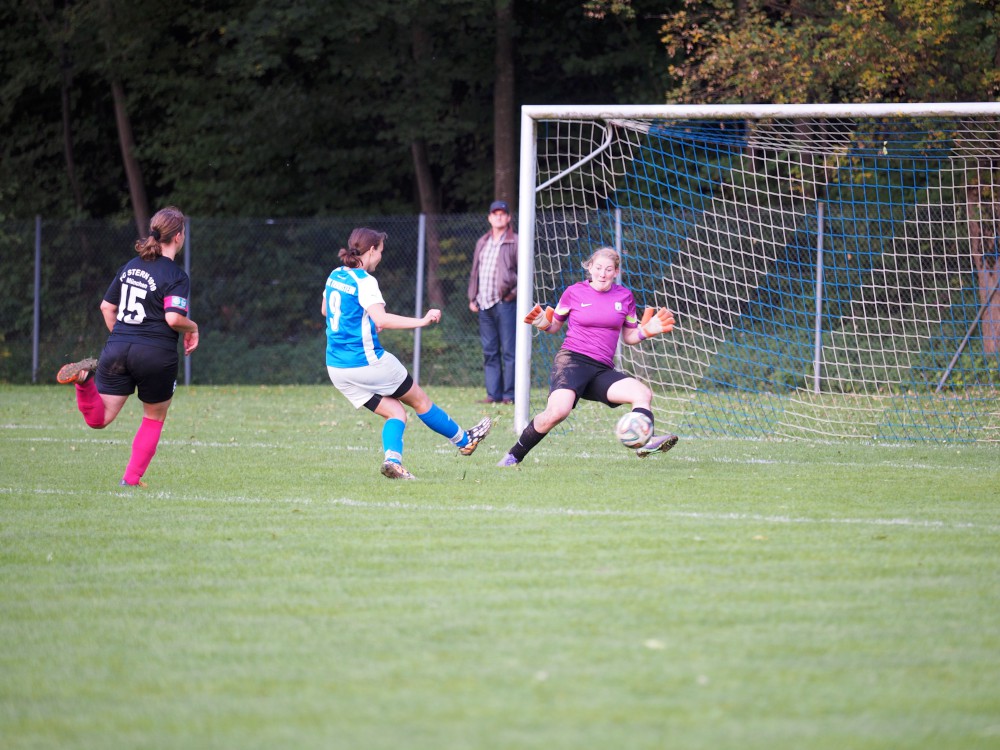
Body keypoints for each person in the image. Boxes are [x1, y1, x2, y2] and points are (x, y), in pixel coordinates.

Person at [324, 227, 493, 480]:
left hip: (337, 369)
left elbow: (326, 311)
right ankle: (464, 440)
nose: (381, 256)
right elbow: (382, 319)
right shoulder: (365, 281)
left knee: (396, 413)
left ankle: (392, 461)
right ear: (371, 250)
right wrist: (422, 321)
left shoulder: (335, 274)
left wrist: (363, 321)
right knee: (420, 401)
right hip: (367, 363)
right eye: (381, 251)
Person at [496, 246, 678, 467]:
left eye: (608, 269)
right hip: (572, 362)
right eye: (598, 268)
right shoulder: (574, 292)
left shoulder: (625, 297)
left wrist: (647, 331)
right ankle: (512, 457)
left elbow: (630, 336)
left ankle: (645, 442)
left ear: (616, 272)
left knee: (642, 393)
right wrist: (543, 323)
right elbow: (554, 326)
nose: (603, 273)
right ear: (589, 268)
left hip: (601, 369)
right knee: (557, 412)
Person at [56, 206, 199, 487]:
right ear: (178, 236)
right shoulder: (176, 275)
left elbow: (106, 307)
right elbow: (173, 318)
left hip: (118, 348)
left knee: (99, 419)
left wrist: (125, 337)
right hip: (155, 354)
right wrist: (193, 327)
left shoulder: (131, 266)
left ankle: (84, 382)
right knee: (154, 416)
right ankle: (131, 479)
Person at [468, 200, 518, 405]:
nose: (498, 217)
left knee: (509, 351)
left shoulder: (516, 241)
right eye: (495, 214)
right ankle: (493, 395)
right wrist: (473, 296)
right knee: (489, 351)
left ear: (508, 218)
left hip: (506, 303)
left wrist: (511, 295)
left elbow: (525, 274)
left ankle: (509, 395)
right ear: (489, 218)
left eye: (502, 214)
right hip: (484, 303)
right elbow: (475, 271)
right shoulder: (482, 241)